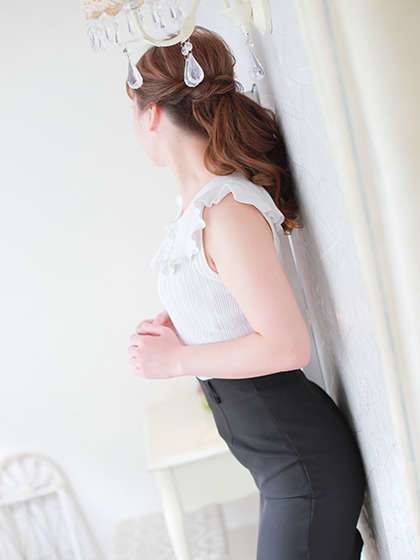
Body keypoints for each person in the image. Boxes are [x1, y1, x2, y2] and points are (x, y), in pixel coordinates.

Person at [127, 24, 366, 560]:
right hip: (279, 464)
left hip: (302, 468)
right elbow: (230, 298)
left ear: (152, 114)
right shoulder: (200, 210)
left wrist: (176, 360)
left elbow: (287, 346)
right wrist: (179, 321)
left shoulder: (227, 210)